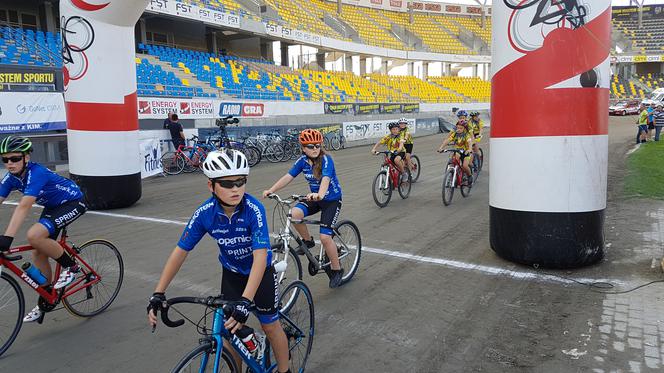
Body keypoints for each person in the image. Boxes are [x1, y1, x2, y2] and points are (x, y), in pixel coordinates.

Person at [147, 149, 291, 373]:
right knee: (230, 332)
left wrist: (245, 301)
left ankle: (285, 370)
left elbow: (260, 257)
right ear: (211, 186)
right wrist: (158, 292)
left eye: (240, 182)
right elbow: (180, 251)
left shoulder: (254, 209)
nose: (235, 189)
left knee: (270, 325)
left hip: (260, 272)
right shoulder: (204, 213)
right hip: (232, 273)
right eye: (226, 183)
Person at [0, 135, 87, 322]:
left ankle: (71, 267)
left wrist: (7, 238)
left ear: (26, 158)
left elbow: (24, 206)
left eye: (15, 158)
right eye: (5, 159)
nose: (9, 163)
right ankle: (46, 298)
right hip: (52, 207)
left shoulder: (36, 172)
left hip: (72, 202)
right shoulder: (11, 178)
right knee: (38, 253)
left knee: (34, 235)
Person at [262, 129, 345, 288]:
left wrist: (320, 194)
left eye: (317, 145)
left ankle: (337, 270)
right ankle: (307, 241)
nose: (315, 148)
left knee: (326, 238)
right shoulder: (302, 161)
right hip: (314, 198)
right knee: (293, 213)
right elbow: (288, 176)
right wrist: (272, 190)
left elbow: (326, 179)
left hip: (331, 200)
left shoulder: (326, 159)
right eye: (310, 146)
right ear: (303, 148)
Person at [437, 120, 474, 186]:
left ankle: (469, 176)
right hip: (457, 151)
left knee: (465, 166)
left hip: (466, 152)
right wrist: (441, 147)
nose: (458, 129)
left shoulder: (467, 135)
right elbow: (448, 140)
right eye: (457, 128)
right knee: (453, 161)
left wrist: (470, 149)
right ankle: (452, 175)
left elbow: (470, 142)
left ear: (465, 129)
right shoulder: (455, 134)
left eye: (461, 128)